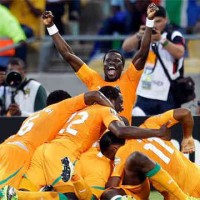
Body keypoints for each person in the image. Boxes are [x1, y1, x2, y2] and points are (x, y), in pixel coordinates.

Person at [19, 86, 170, 193]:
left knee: (25, 190)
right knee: (71, 196)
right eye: (120, 102)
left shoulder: (82, 110)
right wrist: (157, 132)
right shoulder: (106, 110)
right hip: (64, 153)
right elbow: (120, 131)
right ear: (110, 99)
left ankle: (17, 195)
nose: (122, 107)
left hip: (45, 149)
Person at [42, 2, 158, 123]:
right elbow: (68, 55)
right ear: (103, 66)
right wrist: (51, 26)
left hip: (121, 138)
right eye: (108, 61)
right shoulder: (94, 79)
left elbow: (143, 52)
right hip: (97, 140)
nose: (111, 63)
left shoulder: (129, 79)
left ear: (123, 67)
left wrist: (149, 21)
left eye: (116, 61)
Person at [0, 89, 114, 189]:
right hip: (17, 155)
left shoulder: (34, 116)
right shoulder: (64, 107)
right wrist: (112, 111)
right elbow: (94, 94)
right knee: (6, 195)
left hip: (6, 146)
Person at [100, 108, 200, 199]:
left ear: (114, 148)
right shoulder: (151, 124)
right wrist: (188, 137)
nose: (113, 160)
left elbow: (112, 186)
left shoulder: (124, 151)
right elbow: (185, 113)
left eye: (111, 157)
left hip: (180, 194)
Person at [123, 5, 185, 116]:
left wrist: (161, 39)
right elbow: (126, 47)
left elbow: (179, 53)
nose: (155, 25)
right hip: (145, 92)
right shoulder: (145, 36)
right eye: (152, 21)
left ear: (166, 20)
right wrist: (139, 35)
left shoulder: (173, 35)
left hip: (167, 93)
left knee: (165, 130)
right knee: (139, 127)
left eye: (159, 21)